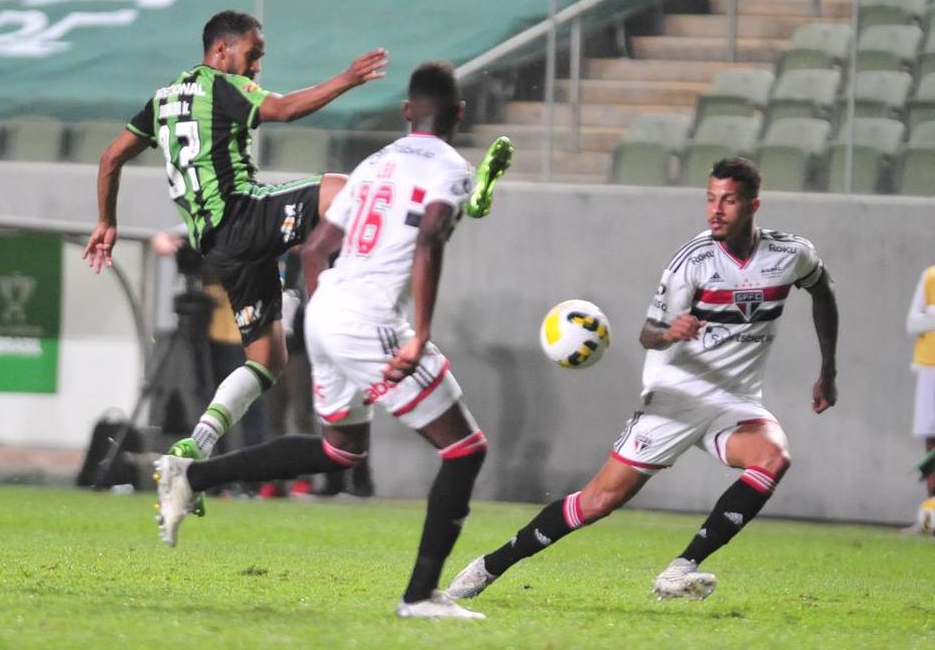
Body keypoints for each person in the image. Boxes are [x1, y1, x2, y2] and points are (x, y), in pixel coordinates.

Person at [153, 61, 513, 620]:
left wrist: (324, 317)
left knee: (339, 450)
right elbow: (428, 245)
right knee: (465, 450)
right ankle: (419, 597)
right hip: (370, 321)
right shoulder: (451, 169)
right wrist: (418, 336)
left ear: (405, 112)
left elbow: (316, 247)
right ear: (460, 115)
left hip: (326, 314)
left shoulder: (375, 162)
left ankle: (193, 475)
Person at [448, 156, 840, 602]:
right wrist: (670, 330)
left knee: (773, 456)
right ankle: (488, 566)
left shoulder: (790, 254)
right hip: (676, 396)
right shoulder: (693, 261)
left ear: (753, 205)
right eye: (710, 199)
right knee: (598, 502)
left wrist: (827, 369)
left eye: (728, 201)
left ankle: (681, 568)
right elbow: (647, 334)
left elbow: (823, 290)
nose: (715, 210)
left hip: (734, 400)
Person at [83, 11, 388, 483]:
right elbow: (284, 110)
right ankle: (340, 310)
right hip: (242, 214)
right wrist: (347, 78)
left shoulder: (162, 100)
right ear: (221, 50)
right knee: (345, 190)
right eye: (253, 54)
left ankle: (194, 446)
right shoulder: (216, 85)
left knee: (268, 359)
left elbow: (110, 156)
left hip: (218, 246)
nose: (257, 67)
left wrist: (106, 219)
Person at [905, 264, 935, 499]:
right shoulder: (930, 276)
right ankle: (932, 503)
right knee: (930, 434)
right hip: (930, 365)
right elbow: (913, 323)